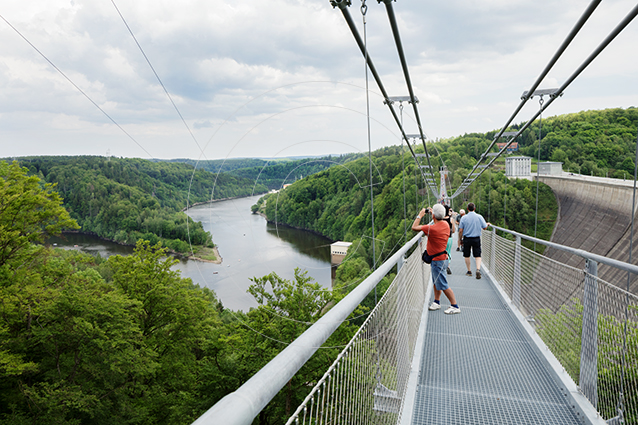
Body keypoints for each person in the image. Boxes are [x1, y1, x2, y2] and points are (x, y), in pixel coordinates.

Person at [412, 204, 460, 314]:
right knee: (436, 281)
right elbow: (439, 220)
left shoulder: (431, 228)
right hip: (442, 258)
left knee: (443, 284)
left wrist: (420, 215)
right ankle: (436, 302)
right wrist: (434, 213)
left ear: (433, 216)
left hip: (438, 261)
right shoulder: (445, 224)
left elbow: (414, 227)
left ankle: (455, 305)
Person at [457, 203, 490, 279]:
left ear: (467, 209)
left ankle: (469, 271)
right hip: (476, 238)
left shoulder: (464, 218)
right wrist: (487, 224)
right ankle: (478, 269)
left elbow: (461, 230)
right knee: (477, 255)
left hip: (467, 239)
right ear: (474, 208)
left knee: (467, 255)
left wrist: (460, 239)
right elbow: (484, 227)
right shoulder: (479, 216)